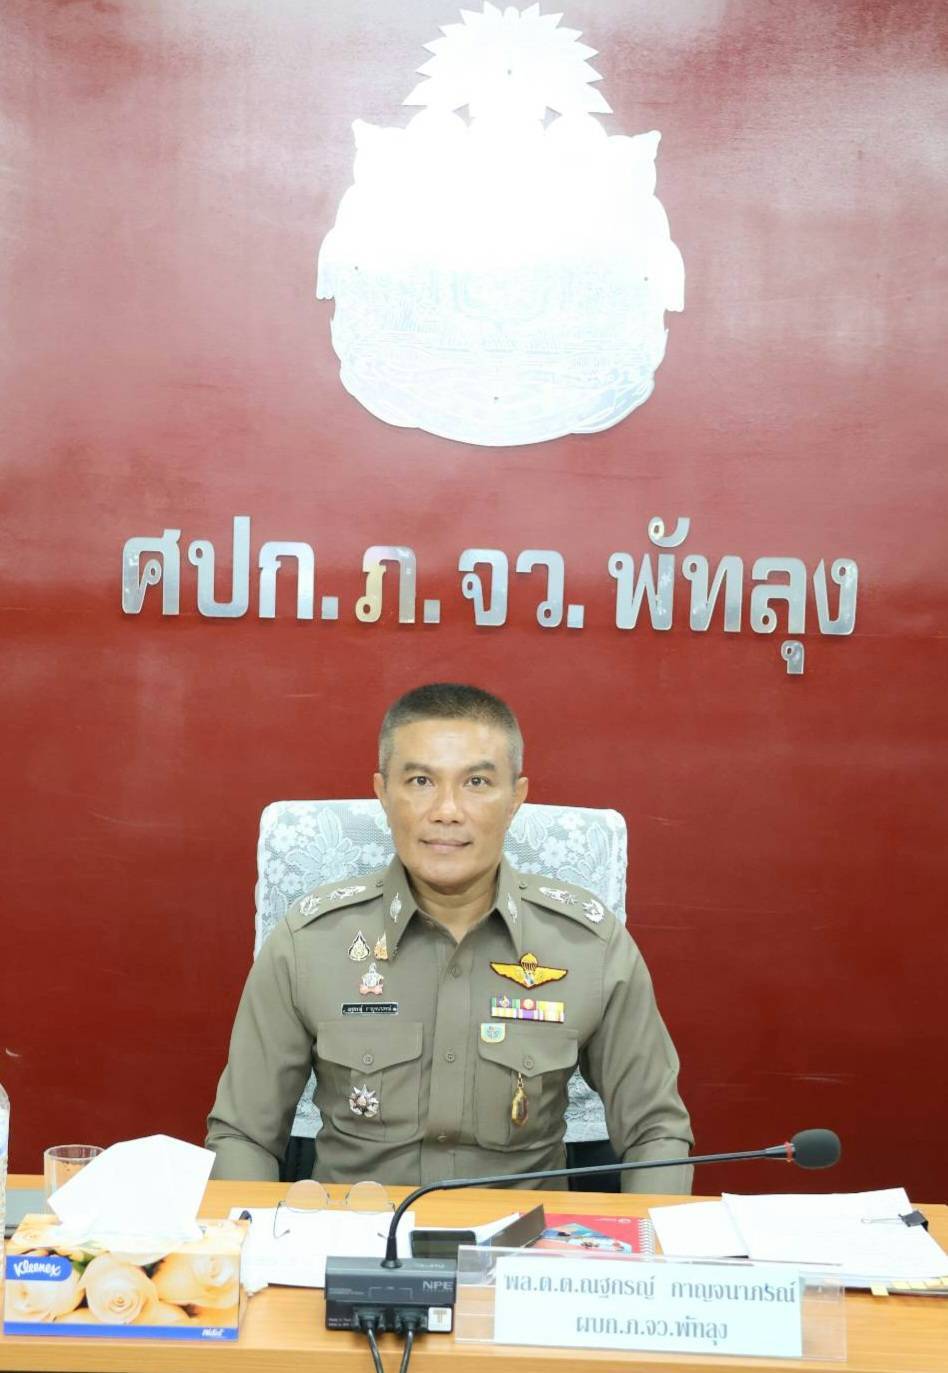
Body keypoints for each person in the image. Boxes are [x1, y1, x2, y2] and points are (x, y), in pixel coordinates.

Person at [206, 683, 693, 1192]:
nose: (447, 810)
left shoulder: (589, 947)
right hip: (357, 1231)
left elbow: (656, 1131)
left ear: (516, 798)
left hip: (524, 1236)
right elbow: (243, 1135)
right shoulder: (310, 943)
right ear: (383, 794)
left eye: (477, 782)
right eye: (420, 781)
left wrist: (647, 1241)